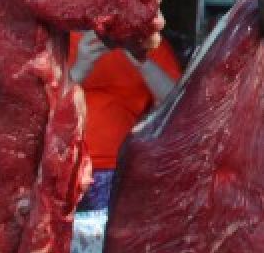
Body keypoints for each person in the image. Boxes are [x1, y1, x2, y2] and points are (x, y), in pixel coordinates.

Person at [68, 31, 182, 211]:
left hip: (119, 169)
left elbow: (177, 104)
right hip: (61, 167)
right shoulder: (54, 38)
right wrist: (79, 70)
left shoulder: (150, 42)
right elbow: (39, 105)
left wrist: (139, 58)